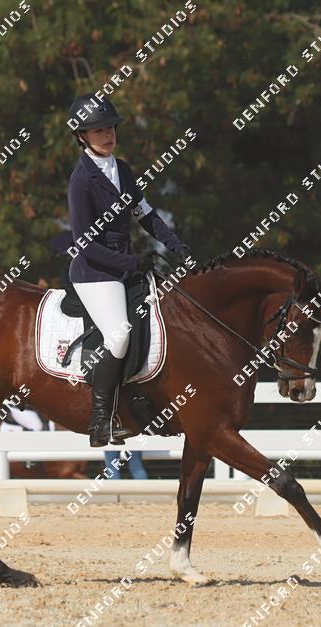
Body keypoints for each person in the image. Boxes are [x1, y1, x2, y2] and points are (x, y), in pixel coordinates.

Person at [65, 93, 191, 448]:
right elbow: (85, 244)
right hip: (95, 272)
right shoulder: (81, 180)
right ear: (81, 136)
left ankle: (138, 403)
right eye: (98, 130)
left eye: (110, 128)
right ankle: (100, 420)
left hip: (124, 265)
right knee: (119, 335)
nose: (108, 135)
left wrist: (177, 245)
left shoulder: (121, 170)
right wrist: (132, 263)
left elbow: (146, 215)